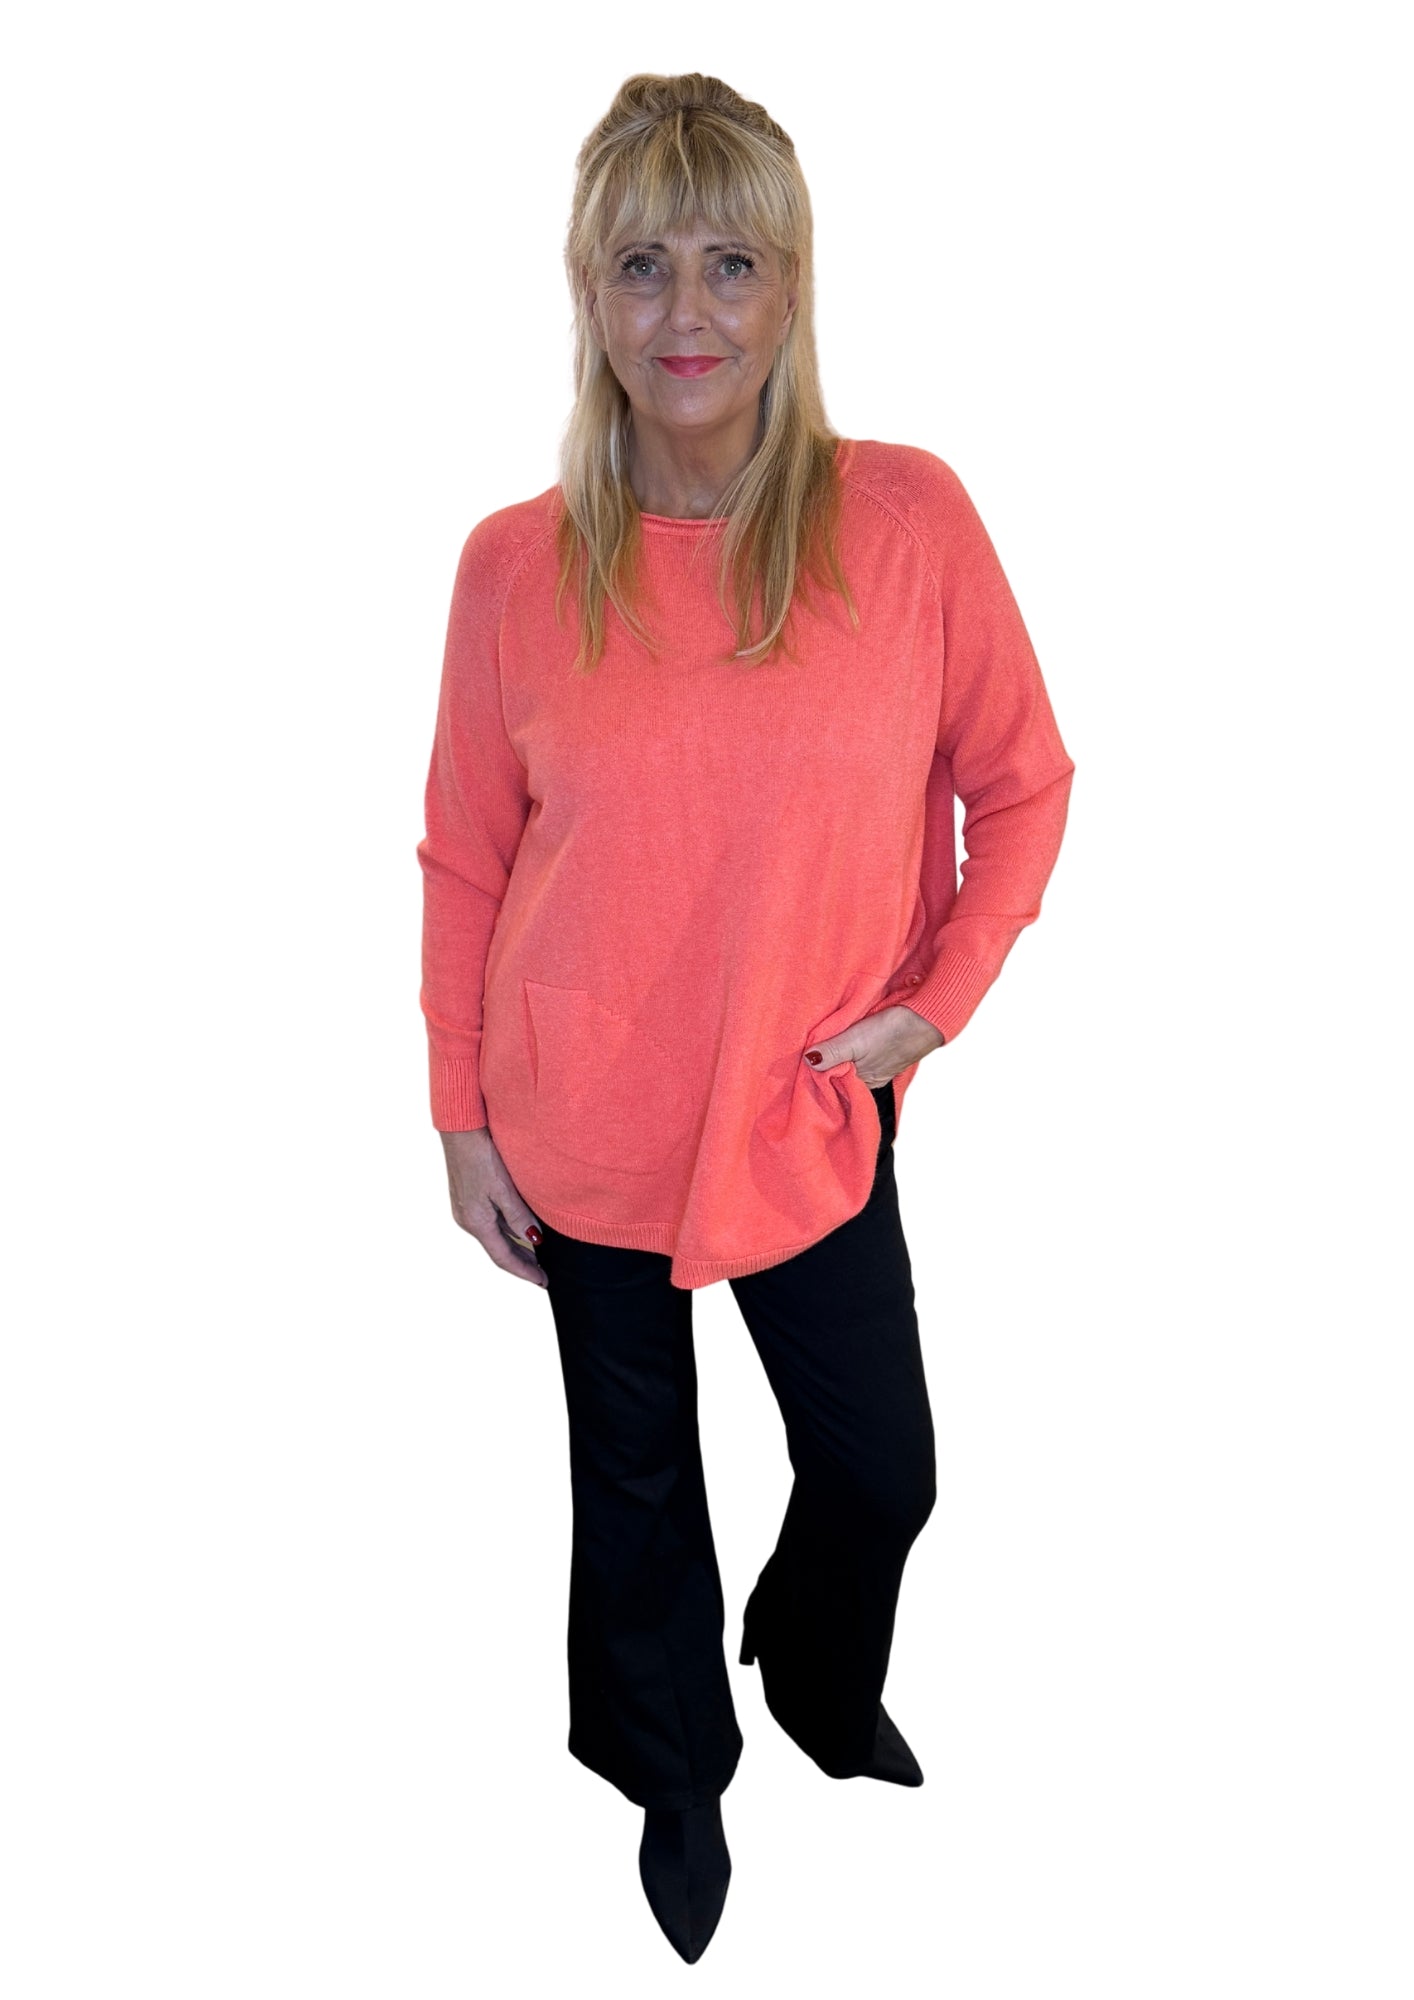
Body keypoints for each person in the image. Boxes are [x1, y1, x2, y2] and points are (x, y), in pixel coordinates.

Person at [416, 72, 1075, 1964]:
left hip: (807, 1100)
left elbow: (1022, 784)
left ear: (791, 289)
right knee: (633, 1485)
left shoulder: (904, 519)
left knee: (879, 1466)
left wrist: (933, 1008)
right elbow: (464, 854)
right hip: (580, 1108)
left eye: (730, 264)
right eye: (641, 265)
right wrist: (458, 1115)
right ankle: (673, 1770)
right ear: (587, 293)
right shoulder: (513, 564)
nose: (685, 311)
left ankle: (813, 1662)